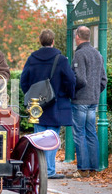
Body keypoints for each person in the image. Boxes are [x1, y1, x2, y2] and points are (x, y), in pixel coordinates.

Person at [20, 29, 76, 179]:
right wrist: (68, 94)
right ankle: (49, 170)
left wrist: (33, 95)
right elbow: (70, 80)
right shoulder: (61, 59)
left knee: (39, 137)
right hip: (56, 104)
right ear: (53, 42)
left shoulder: (32, 58)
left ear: (40, 41)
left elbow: (23, 81)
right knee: (52, 138)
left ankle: (40, 170)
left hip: (37, 105)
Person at [71, 25, 107, 177]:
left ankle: (83, 169)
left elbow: (79, 79)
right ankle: (93, 169)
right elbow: (103, 80)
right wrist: (94, 93)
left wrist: (73, 92)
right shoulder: (98, 54)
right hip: (93, 100)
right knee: (91, 132)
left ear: (78, 37)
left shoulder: (79, 54)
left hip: (80, 100)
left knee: (79, 133)